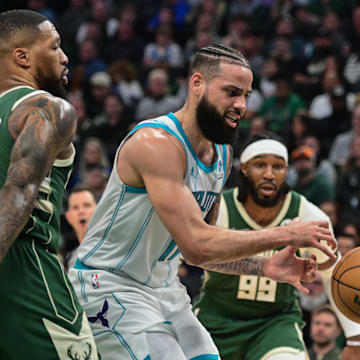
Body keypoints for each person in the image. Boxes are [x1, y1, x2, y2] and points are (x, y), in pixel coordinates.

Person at [69, 44, 336, 360]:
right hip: (110, 285)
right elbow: (198, 243)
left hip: (165, 291)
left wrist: (265, 266)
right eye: (232, 92)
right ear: (197, 84)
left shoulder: (221, 154)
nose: (242, 105)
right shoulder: (155, 144)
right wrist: (287, 234)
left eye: (247, 95)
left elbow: (197, 256)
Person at [193, 132, 360, 360]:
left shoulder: (307, 214)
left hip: (274, 323)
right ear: (244, 168)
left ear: (287, 170)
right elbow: (193, 253)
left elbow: (334, 274)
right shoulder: (220, 208)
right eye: (260, 165)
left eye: (278, 166)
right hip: (216, 318)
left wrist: (355, 337)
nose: (270, 174)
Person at [0, 9, 98, 359]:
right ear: (22, 57)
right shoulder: (48, 108)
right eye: (55, 46)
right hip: (30, 279)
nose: (65, 56)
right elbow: (19, 190)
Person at [61, 187, 97, 272]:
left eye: (87, 205)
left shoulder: (113, 248)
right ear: (68, 217)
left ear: (98, 210)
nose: (81, 211)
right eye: (75, 207)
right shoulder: (67, 260)